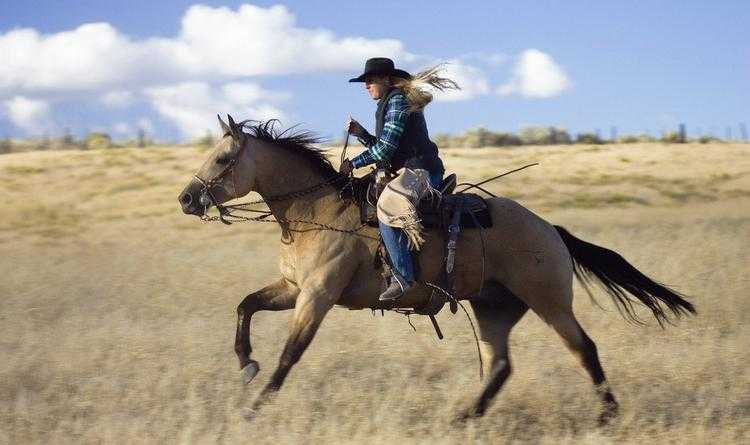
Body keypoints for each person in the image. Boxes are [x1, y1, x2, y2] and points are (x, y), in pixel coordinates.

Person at [340, 57, 458, 301]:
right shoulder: (388, 102)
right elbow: (387, 148)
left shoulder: (397, 101)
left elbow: (384, 151)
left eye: (370, 80)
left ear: (385, 79)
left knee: (387, 205)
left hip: (421, 171)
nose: (366, 86)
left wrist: (353, 163)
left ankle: (404, 278)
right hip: (408, 170)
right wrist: (362, 134)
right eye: (365, 81)